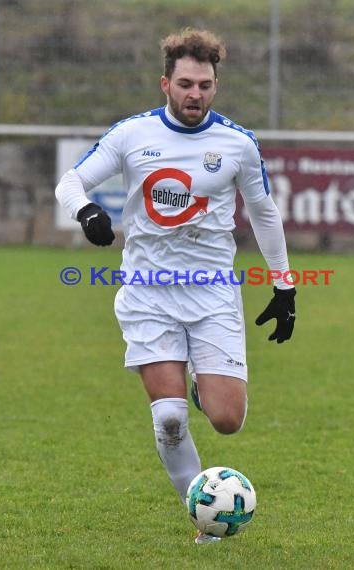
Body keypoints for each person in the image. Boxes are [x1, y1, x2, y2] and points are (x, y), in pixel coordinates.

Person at [55, 28, 296, 544]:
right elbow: (70, 182)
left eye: (205, 85)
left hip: (212, 293)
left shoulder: (237, 143)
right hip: (147, 292)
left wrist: (284, 286)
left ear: (215, 86)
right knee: (168, 418)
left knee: (228, 420)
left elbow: (264, 213)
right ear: (165, 82)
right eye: (185, 83)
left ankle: (201, 386)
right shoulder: (131, 135)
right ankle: (205, 520)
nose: (195, 94)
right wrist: (87, 210)